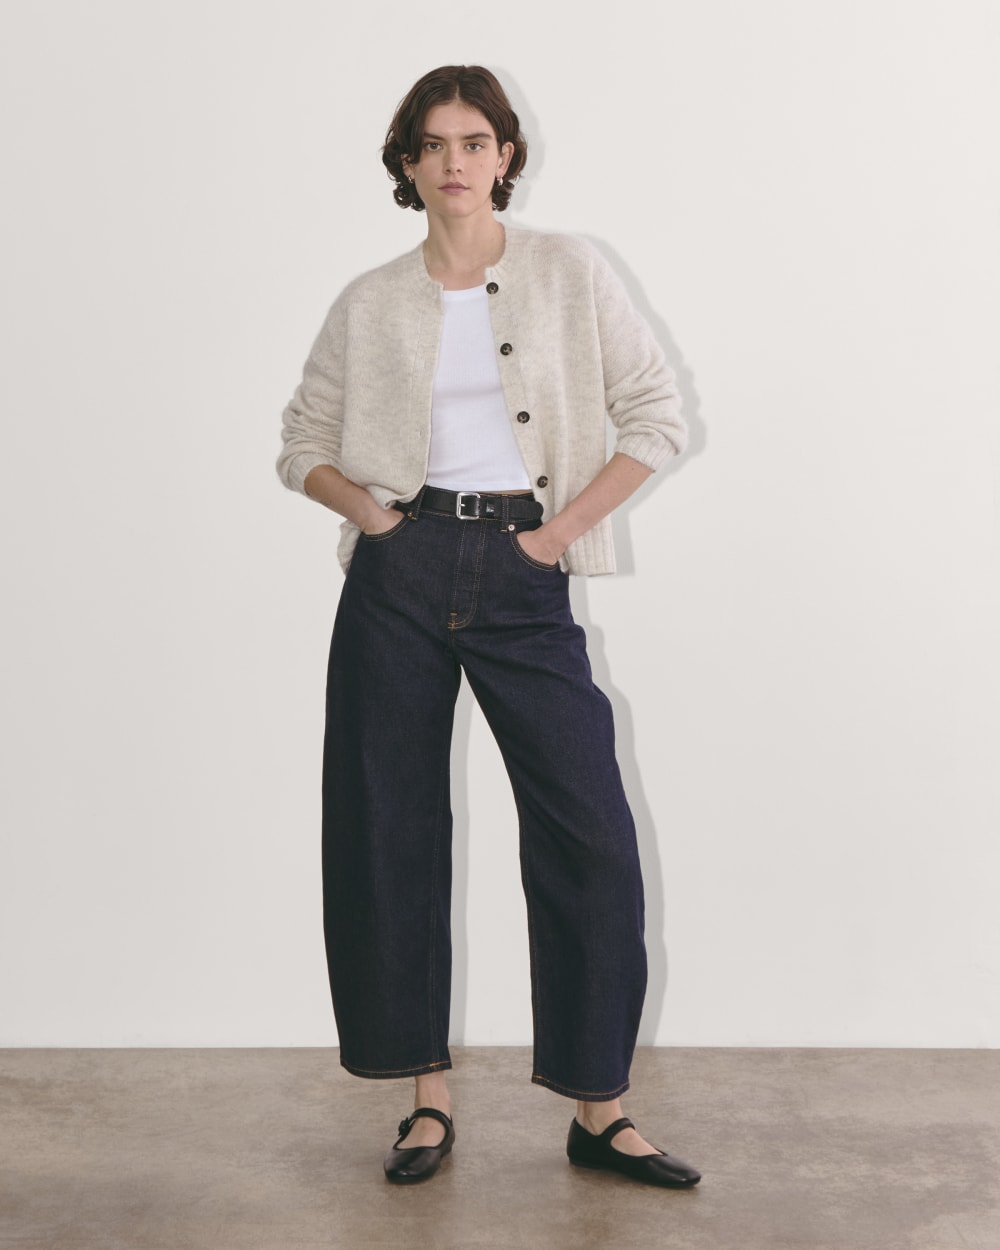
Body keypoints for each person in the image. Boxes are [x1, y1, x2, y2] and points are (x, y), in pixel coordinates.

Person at [277, 64, 701, 1189]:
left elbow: (657, 416)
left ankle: (600, 1108)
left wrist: (554, 538)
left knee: (588, 831)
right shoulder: (371, 300)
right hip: (399, 575)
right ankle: (425, 1099)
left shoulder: (569, 271)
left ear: (506, 155)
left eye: (474, 141)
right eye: (432, 144)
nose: (454, 162)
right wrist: (373, 515)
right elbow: (300, 438)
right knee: (388, 829)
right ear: (406, 164)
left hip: (524, 573)